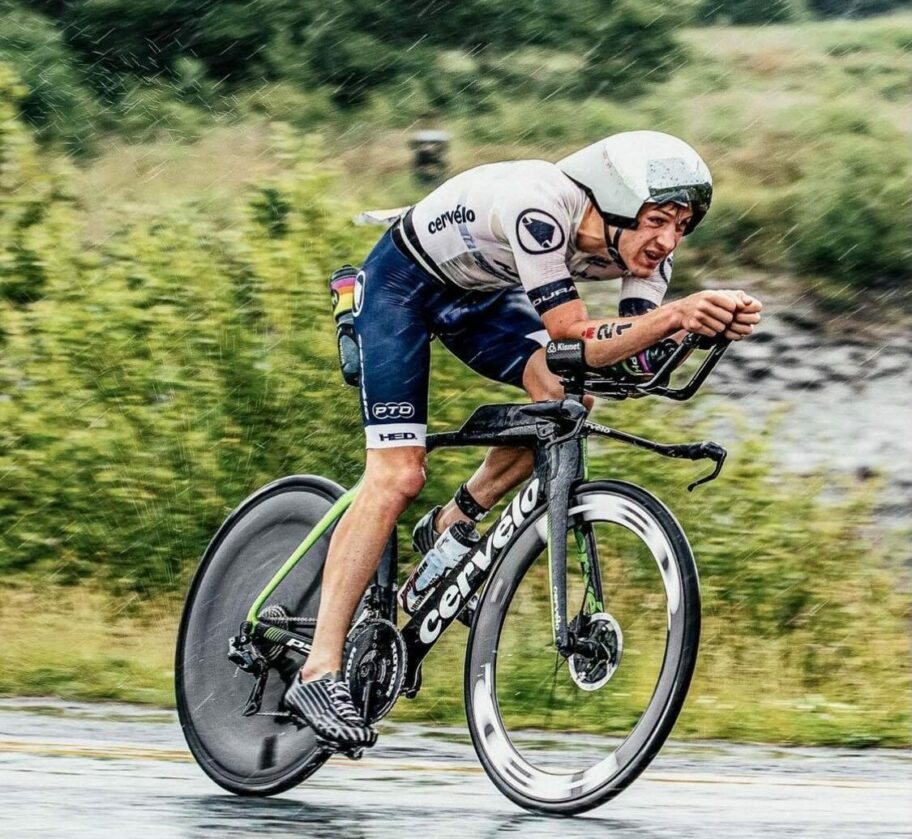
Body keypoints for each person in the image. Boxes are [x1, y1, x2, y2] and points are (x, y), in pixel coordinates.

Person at [283, 130, 762, 749]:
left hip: (479, 297)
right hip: (403, 287)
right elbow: (571, 337)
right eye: (657, 220)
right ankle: (319, 671)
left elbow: (621, 363)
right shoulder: (540, 208)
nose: (668, 240)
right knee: (398, 474)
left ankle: (455, 519)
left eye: (683, 226)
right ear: (616, 203)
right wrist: (670, 318)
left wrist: (698, 330)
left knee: (569, 399)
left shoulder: (648, 254)